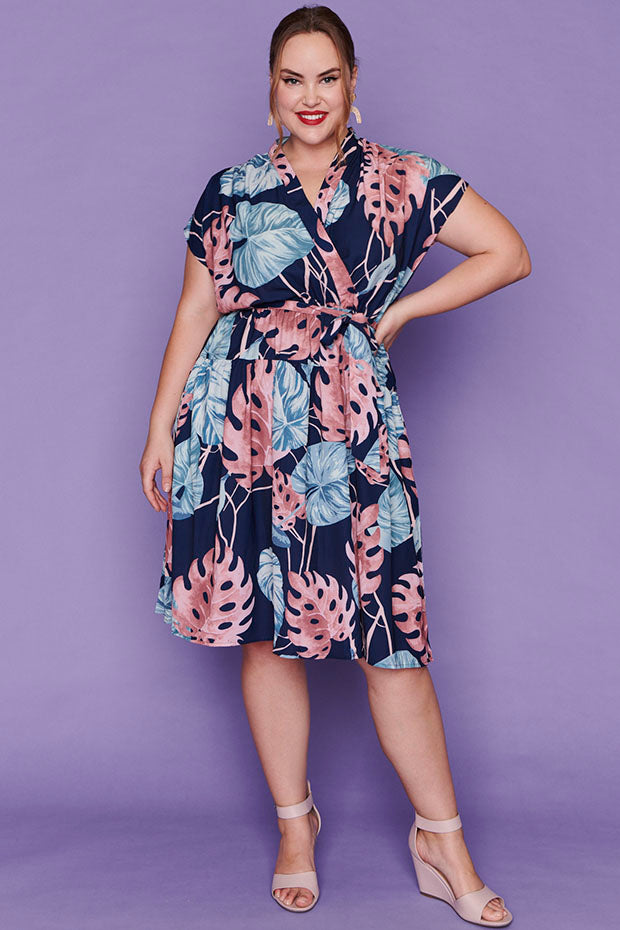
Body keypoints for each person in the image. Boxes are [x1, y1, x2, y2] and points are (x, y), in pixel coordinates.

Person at [140, 4, 530, 923]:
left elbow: (507, 253)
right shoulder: (231, 189)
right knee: (265, 630)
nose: (310, 96)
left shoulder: (401, 178)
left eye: (326, 78)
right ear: (270, 91)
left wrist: (402, 312)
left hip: (350, 430)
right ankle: (295, 825)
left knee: (389, 635)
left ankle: (442, 841)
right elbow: (195, 310)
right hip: (239, 427)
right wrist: (159, 428)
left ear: (353, 86)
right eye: (293, 79)